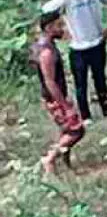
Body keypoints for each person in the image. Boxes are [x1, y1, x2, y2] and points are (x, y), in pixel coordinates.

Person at [41, 0, 107, 122]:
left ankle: (106, 110)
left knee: (100, 79)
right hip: (78, 48)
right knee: (81, 84)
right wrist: (61, 31)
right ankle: (86, 117)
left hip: (97, 43)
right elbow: (45, 11)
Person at [30, 12, 86, 173]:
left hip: (54, 96)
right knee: (76, 130)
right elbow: (50, 81)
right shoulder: (46, 52)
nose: (62, 28)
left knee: (67, 130)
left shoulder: (43, 46)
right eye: (59, 25)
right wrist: (65, 105)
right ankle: (50, 159)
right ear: (49, 28)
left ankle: (65, 164)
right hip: (54, 98)